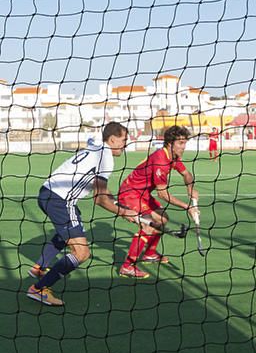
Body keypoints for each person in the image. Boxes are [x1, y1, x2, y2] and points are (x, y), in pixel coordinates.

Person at [26, 122, 139, 306]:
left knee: (74, 226)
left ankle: (40, 267)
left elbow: (99, 186)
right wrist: (125, 212)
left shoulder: (96, 146)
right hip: (60, 201)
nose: (126, 144)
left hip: (46, 192)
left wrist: (113, 198)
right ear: (112, 139)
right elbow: (100, 199)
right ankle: (39, 289)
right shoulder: (106, 157)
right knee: (82, 252)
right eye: (124, 140)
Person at [117, 125, 198, 279]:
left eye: (185, 143)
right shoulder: (161, 160)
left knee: (163, 219)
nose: (184, 147)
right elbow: (163, 194)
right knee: (148, 226)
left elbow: (186, 174)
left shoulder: (172, 157)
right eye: (180, 143)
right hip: (130, 193)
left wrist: (190, 189)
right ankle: (127, 267)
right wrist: (187, 207)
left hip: (142, 194)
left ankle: (150, 254)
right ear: (170, 143)